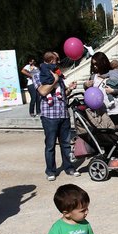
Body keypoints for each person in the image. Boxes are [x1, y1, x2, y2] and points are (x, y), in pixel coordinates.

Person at [37, 51, 80, 181]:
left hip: (63, 114)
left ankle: (69, 167)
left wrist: (70, 89)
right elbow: (43, 91)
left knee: (66, 144)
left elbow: (62, 94)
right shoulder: (38, 74)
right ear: (50, 60)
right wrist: (55, 79)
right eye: (56, 60)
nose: (58, 62)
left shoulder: (58, 73)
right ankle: (50, 171)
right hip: (49, 115)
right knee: (50, 145)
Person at [84, 52, 118, 126]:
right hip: (102, 113)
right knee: (106, 136)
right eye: (93, 64)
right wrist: (85, 85)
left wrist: (113, 91)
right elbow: (88, 89)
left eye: (96, 64)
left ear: (103, 62)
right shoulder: (93, 76)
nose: (94, 66)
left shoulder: (113, 73)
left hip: (116, 111)